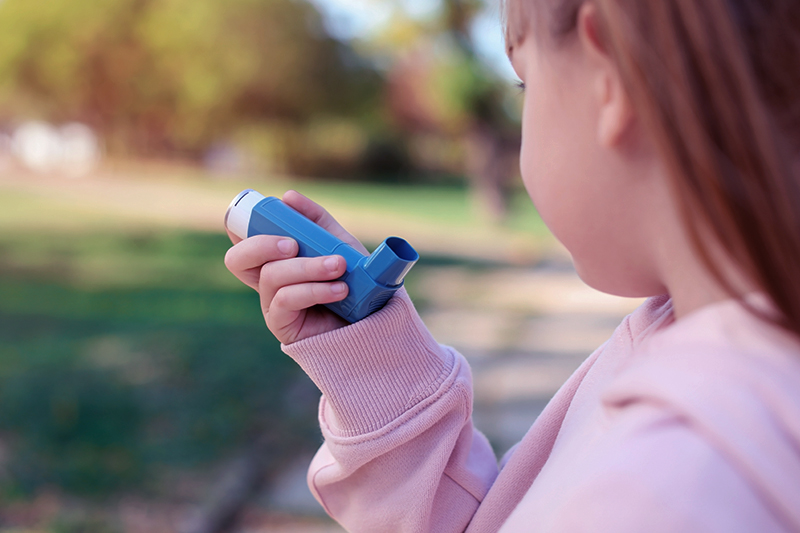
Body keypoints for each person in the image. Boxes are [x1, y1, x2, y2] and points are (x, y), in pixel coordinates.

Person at [224, 0, 800, 531]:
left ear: (612, 79)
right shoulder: (700, 347)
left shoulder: (667, 487)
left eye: (524, 84)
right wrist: (374, 359)